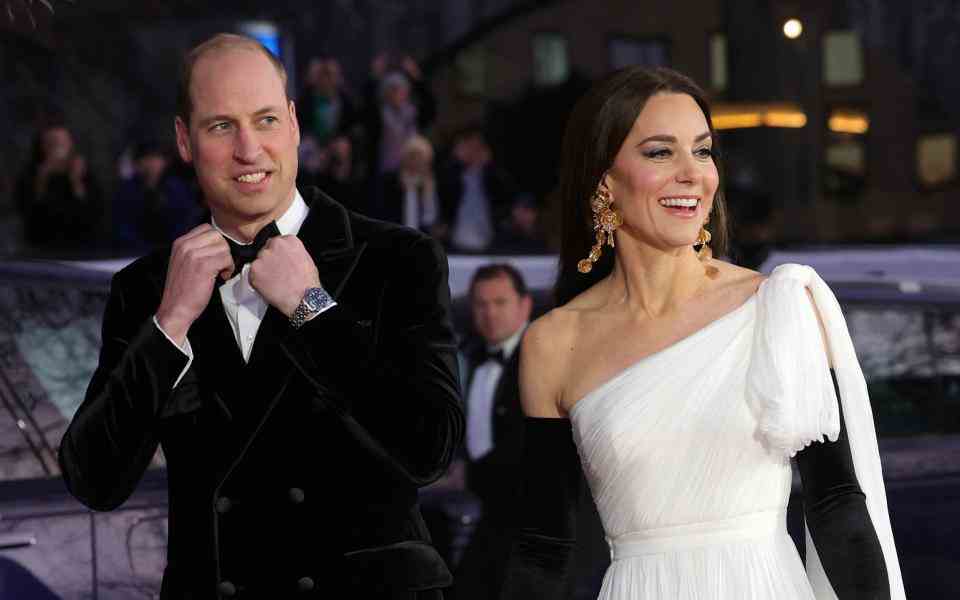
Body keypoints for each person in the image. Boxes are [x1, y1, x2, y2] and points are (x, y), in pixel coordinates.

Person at [58, 33, 464, 599]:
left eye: (266, 120)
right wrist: (168, 326)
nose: (249, 150)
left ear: (295, 124)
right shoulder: (145, 289)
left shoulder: (398, 258)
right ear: (184, 139)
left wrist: (312, 308)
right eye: (221, 126)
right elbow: (94, 480)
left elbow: (431, 449)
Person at [500, 67, 904, 599]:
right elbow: (542, 548)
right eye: (660, 152)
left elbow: (837, 506)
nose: (692, 173)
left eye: (703, 150)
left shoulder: (777, 305)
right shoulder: (552, 344)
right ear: (604, 178)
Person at [453, 264, 532, 599]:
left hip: (532, 520)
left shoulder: (540, 359)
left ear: (525, 305)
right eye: (481, 305)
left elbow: (526, 445)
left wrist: (464, 476)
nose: (490, 314)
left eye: (500, 303)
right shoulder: (469, 354)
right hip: (489, 513)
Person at [14, 123, 103, 251]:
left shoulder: (84, 172)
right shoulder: (31, 174)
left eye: (62, 142)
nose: (58, 148)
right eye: (52, 143)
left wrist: (76, 182)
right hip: (41, 246)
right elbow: (28, 214)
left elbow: (93, 214)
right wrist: (41, 181)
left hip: (83, 245)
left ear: (71, 145)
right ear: (42, 146)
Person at [112, 140, 200, 253]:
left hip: (172, 252)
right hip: (134, 253)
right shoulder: (127, 190)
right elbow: (123, 227)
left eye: (157, 158)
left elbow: (185, 222)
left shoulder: (176, 188)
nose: (153, 164)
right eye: (148, 159)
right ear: (138, 163)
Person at [437, 128, 515, 253]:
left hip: (489, 240)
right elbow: (445, 192)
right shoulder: (451, 173)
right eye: (469, 146)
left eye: (478, 146)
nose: (473, 151)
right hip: (456, 240)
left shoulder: (492, 174)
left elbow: (506, 193)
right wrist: (457, 163)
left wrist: (489, 165)